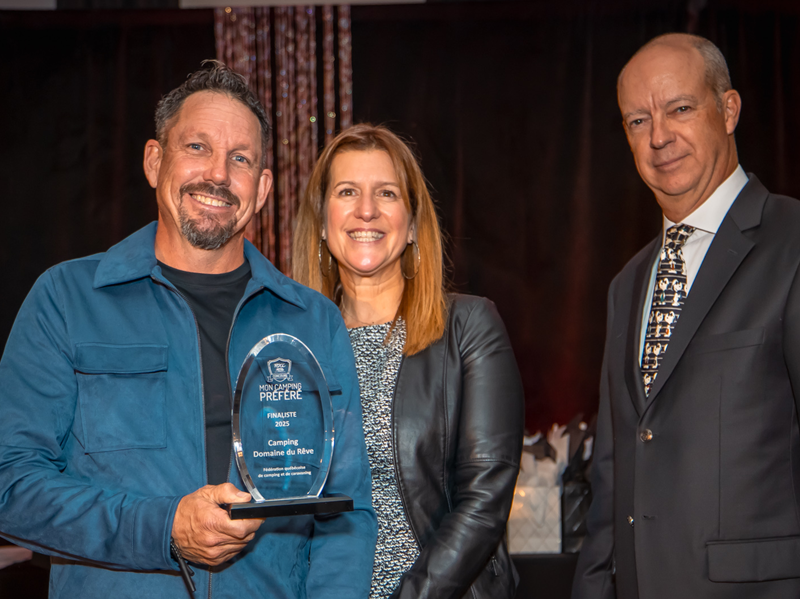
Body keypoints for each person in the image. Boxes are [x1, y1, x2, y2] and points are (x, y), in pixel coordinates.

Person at [0, 62, 376, 598]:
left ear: (263, 187)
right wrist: (164, 527)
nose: (219, 175)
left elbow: (346, 513)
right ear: (155, 161)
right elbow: (10, 483)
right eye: (197, 147)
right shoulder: (66, 300)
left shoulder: (313, 322)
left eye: (240, 158)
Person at [573, 33, 800, 598]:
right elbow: (613, 469)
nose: (659, 137)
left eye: (679, 109)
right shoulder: (627, 284)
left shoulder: (792, 242)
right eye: (636, 121)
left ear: (728, 110)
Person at [292, 124, 524, 598]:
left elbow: (483, 502)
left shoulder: (469, 327)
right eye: (347, 191)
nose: (366, 210)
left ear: (414, 222)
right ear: (321, 219)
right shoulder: (293, 348)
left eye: (387, 193)